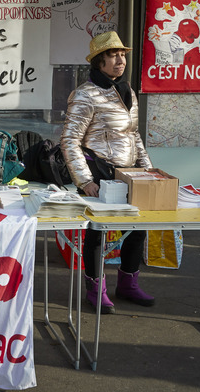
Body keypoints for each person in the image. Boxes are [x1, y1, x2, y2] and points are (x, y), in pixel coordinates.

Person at [60, 31, 154, 314]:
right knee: (97, 234)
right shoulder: (84, 94)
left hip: (128, 174)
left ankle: (127, 284)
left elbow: (133, 135)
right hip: (98, 174)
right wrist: (85, 180)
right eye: (113, 55)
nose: (120, 60)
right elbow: (69, 140)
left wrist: (147, 172)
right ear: (99, 62)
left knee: (137, 228)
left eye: (122, 55)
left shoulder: (127, 92)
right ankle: (95, 289)